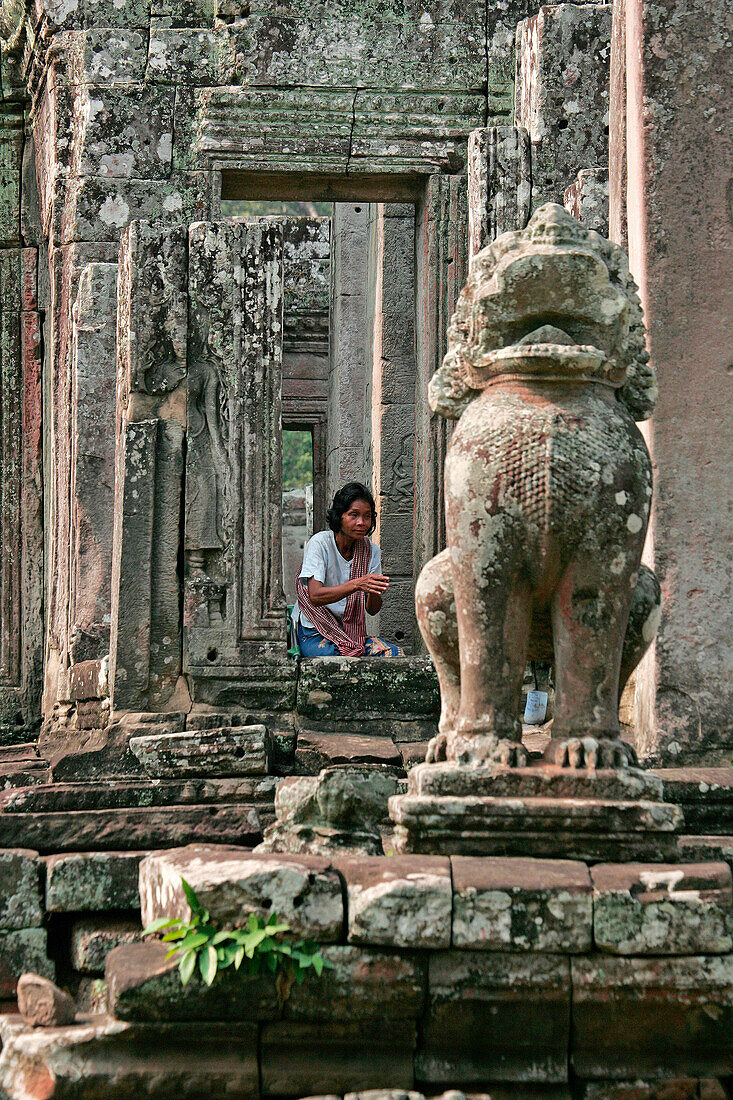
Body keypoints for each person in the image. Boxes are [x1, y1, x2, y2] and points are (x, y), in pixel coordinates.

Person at [292, 482, 404, 657]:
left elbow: (373, 610)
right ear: (339, 516)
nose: (361, 522)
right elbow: (315, 596)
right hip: (315, 629)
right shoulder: (320, 543)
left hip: (350, 633)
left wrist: (373, 590)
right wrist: (358, 584)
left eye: (367, 516)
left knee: (393, 654)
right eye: (354, 515)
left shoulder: (371, 551)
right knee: (335, 660)